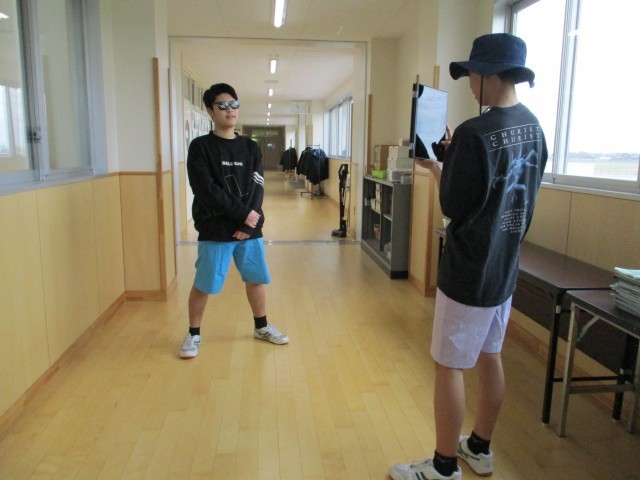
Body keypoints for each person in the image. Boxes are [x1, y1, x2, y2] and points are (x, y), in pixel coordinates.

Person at [390, 33, 548, 480]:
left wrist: (437, 166)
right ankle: (479, 448)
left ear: (488, 75)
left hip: (468, 268)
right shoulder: (534, 128)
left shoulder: (475, 132)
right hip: (504, 267)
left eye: (472, 76)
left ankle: (443, 467)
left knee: (450, 365)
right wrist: (454, 155)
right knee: (490, 355)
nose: (470, 85)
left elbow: (455, 206)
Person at [179, 83, 288, 359]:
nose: (230, 110)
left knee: (255, 279)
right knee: (204, 283)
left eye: (234, 104)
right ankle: (193, 334)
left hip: (249, 230)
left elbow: (257, 185)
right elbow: (206, 189)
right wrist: (242, 215)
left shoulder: (250, 147)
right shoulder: (200, 147)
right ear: (210, 111)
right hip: (215, 229)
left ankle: (261, 327)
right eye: (222, 105)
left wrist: (247, 223)